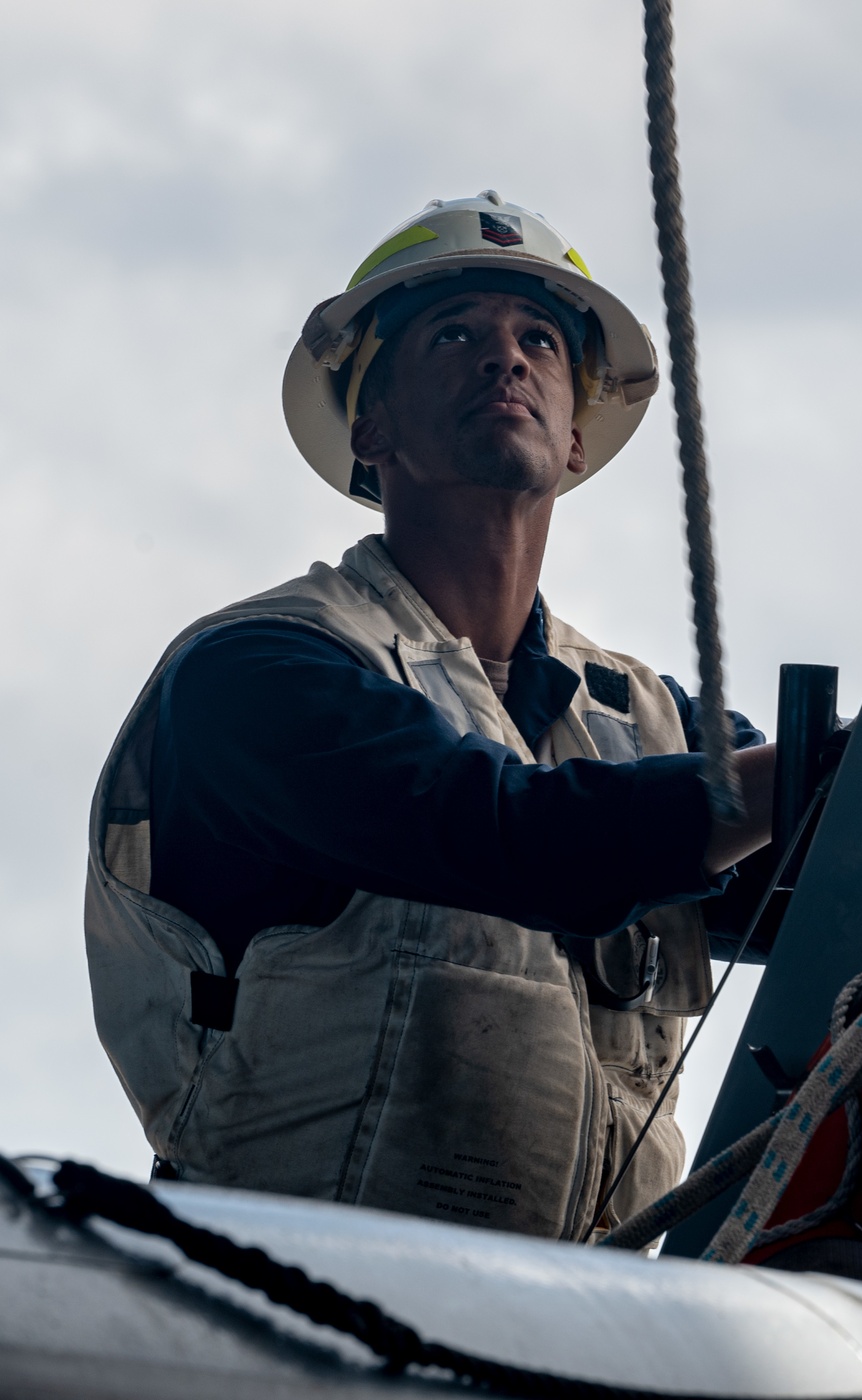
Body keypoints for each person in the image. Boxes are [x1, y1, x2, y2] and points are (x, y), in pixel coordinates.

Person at [85, 192, 775, 1241]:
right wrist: (812, 772)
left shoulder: (639, 717)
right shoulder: (256, 672)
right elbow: (514, 835)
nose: (507, 359)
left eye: (538, 339)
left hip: (583, 1328)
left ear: (577, 441)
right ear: (372, 429)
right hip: (286, 1315)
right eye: (455, 335)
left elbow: (858, 861)